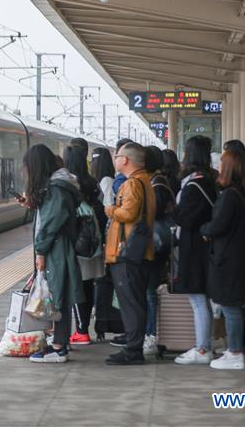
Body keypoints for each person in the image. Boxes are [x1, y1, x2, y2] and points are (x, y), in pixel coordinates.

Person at [21, 145, 85, 363]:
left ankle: (59, 347)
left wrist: (41, 251)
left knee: (58, 296)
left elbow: (51, 223)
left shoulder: (57, 188)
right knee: (57, 294)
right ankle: (58, 341)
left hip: (57, 249)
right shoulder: (57, 186)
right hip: (57, 247)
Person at [200, 149, 245, 370]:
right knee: (232, 305)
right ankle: (233, 348)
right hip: (238, 255)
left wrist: (204, 228)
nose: (219, 166)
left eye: (222, 163)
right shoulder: (241, 192)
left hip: (228, 257)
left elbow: (218, 225)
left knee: (230, 306)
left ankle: (235, 353)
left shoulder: (229, 195)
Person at [104, 142, 156, 365]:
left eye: (117, 156)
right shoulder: (145, 180)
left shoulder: (133, 183)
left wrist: (110, 210)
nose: (114, 160)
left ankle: (133, 350)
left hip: (128, 254)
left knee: (131, 304)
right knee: (135, 302)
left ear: (125, 160)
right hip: (138, 253)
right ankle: (133, 346)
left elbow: (129, 213)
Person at [172, 135, 218, 365]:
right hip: (202, 245)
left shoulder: (194, 184)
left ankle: (202, 349)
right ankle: (204, 345)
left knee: (198, 299)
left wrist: (174, 210)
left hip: (194, 246)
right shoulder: (208, 180)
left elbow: (184, 217)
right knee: (200, 299)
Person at [65, 144, 105, 345]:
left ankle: (81, 330)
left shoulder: (70, 183)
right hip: (91, 239)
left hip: (77, 242)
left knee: (76, 287)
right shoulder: (92, 182)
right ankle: (83, 328)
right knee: (88, 286)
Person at [144, 146, 173, 356]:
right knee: (149, 291)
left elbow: (154, 214)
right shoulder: (158, 182)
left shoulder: (158, 184)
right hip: (157, 243)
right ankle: (150, 333)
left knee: (150, 292)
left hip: (158, 244)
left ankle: (152, 334)